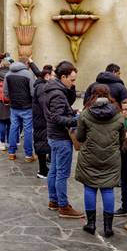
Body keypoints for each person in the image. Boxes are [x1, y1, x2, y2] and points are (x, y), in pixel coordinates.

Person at [75, 83, 125, 237]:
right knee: (108, 189)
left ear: (92, 95)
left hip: (89, 157)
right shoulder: (118, 115)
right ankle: (108, 227)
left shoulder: (85, 114)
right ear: (108, 95)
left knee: (90, 187)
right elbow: (122, 139)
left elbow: (79, 137)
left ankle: (91, 224)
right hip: (111, 158)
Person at [41, 61, 83, 219]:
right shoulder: (57, 93)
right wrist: (77, 119)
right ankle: (63, 206)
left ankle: (54, 201)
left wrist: (71, 111)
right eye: (72, 80)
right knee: (62, 174)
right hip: (60, 137)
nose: (73, 83)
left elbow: (57, 111)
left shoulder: (53, 89)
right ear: (63, 76)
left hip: (53, 136)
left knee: (54, 170)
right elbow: (57, 117)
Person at [6, 59, 43, 161]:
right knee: (27, 130)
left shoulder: (8, 73)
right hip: (27, 106)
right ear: (26, 64)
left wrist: (11, 99)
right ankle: (28, 155)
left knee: (13, 128)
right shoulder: (28, 74)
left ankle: (11, 153)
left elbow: (5, 91)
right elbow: (33, 92)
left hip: (13, 106)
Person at [31, 65, 54, 180]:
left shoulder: (42, 85)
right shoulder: (42, 87)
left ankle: (44, 169)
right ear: (47, 76)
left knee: (42, 143)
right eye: (54, 75)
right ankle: (43, 170)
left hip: (41, 119)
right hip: (42, 120)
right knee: (41, 144)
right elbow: (45, 105)